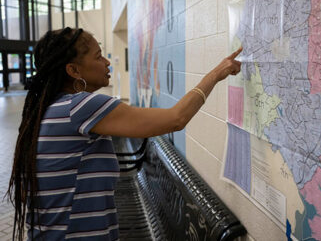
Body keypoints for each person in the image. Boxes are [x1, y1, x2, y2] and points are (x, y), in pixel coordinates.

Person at [7, 27, 242, 240]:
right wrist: (216, 74)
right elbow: (176, 119)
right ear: (73, 70)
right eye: (98, 56)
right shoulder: (78, 108)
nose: (107, 62)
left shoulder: (50, 108)